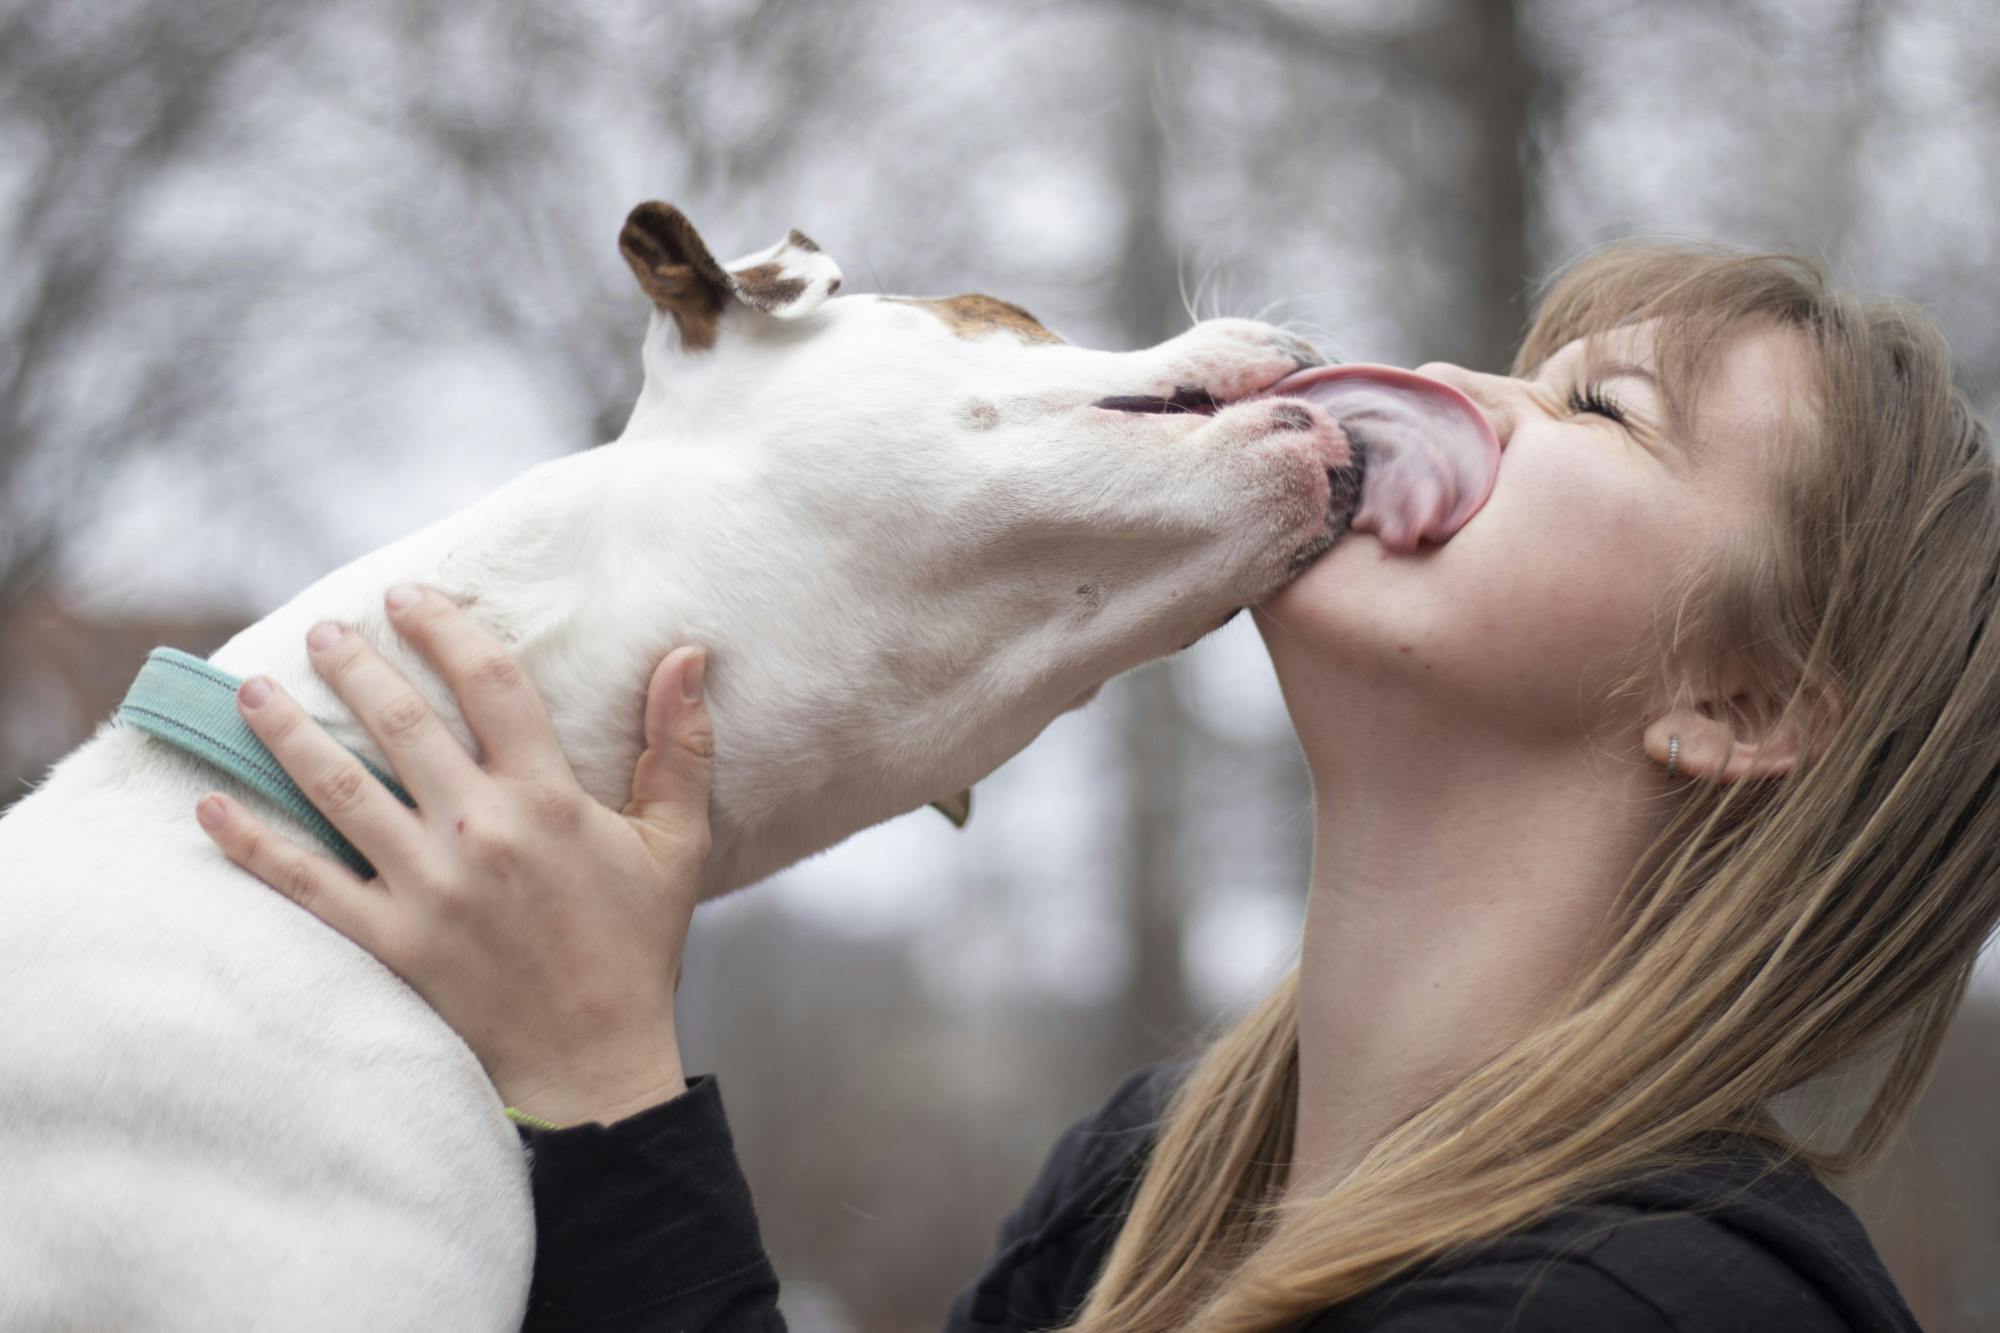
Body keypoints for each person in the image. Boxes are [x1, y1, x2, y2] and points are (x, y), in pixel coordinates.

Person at [188, 239, 1994, 1332]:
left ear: (1743, 699)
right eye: (1520, 365)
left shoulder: (1654, 1306)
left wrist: (602, 1098)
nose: (1451, 384)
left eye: (1602, 412)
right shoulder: (1145, 1185)